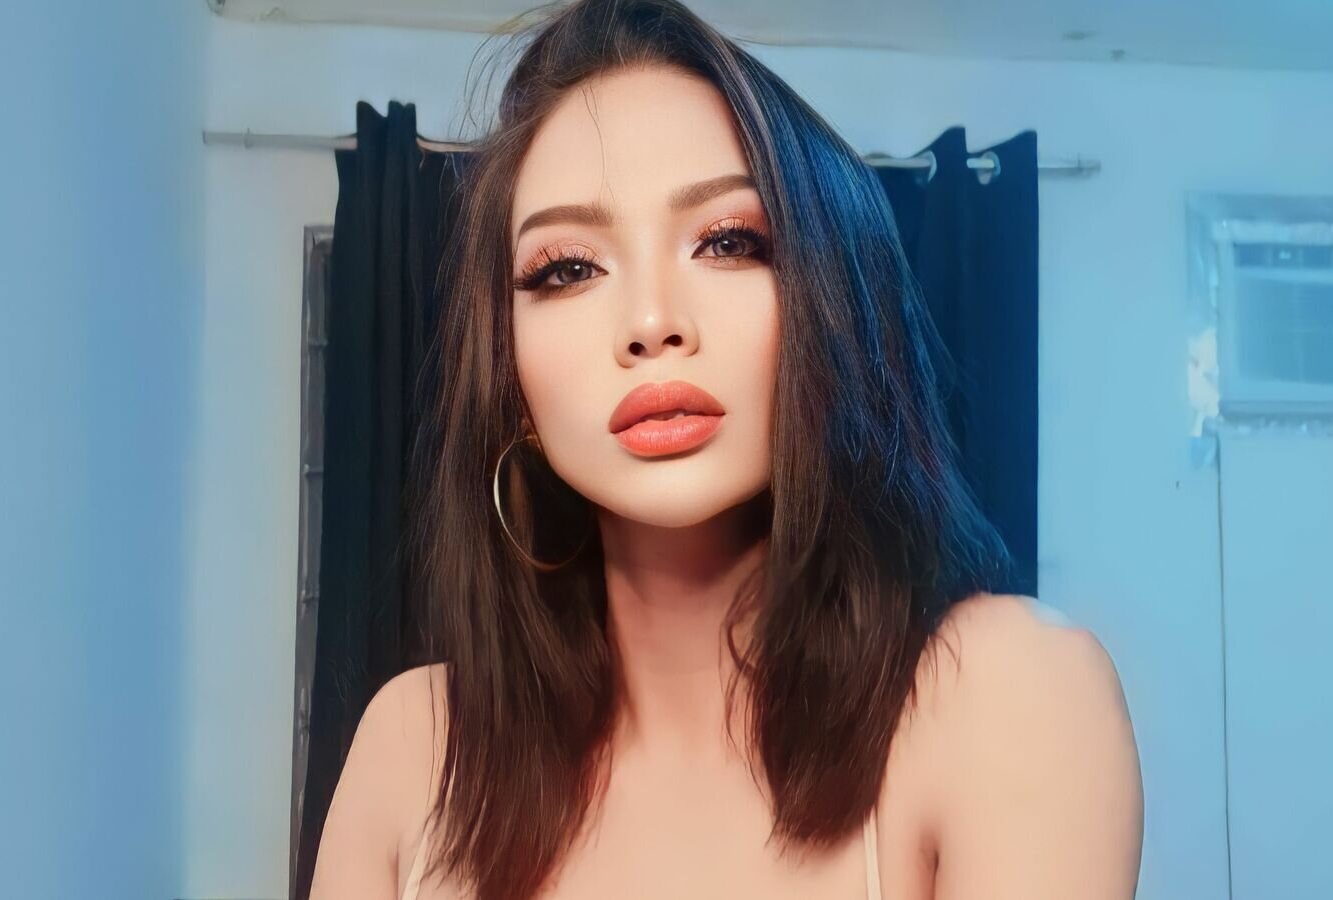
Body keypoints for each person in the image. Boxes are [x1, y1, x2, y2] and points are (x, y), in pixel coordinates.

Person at [310, 0, 1142, 897]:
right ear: (510, 375)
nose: (652, 321)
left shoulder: (1007, 695)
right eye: (568, 268)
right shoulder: (412, 750)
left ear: (828, 304)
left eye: (728, 241)